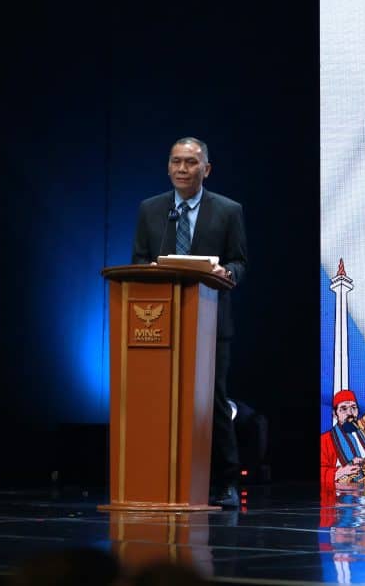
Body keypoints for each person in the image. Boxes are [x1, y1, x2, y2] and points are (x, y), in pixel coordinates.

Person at [132, 137, 248, 508]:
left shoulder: (228, 210)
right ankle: (157, 477)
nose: (182, 169)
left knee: (211, 401)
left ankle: (225, 482)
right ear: (168, 166)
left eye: (191, 163)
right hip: (159, 322)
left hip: (211, 321)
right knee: (159, 399)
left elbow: (239, 262)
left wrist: (227, 272)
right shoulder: (151, 209)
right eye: (176, 161)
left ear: (206, 169)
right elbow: (138, 259)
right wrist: (148, 270)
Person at [320, 390, 365, 488]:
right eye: (344, 409)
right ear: (335, 414)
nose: (350, 413)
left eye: (353, 408)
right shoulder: (324, 440)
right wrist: (341, 472)